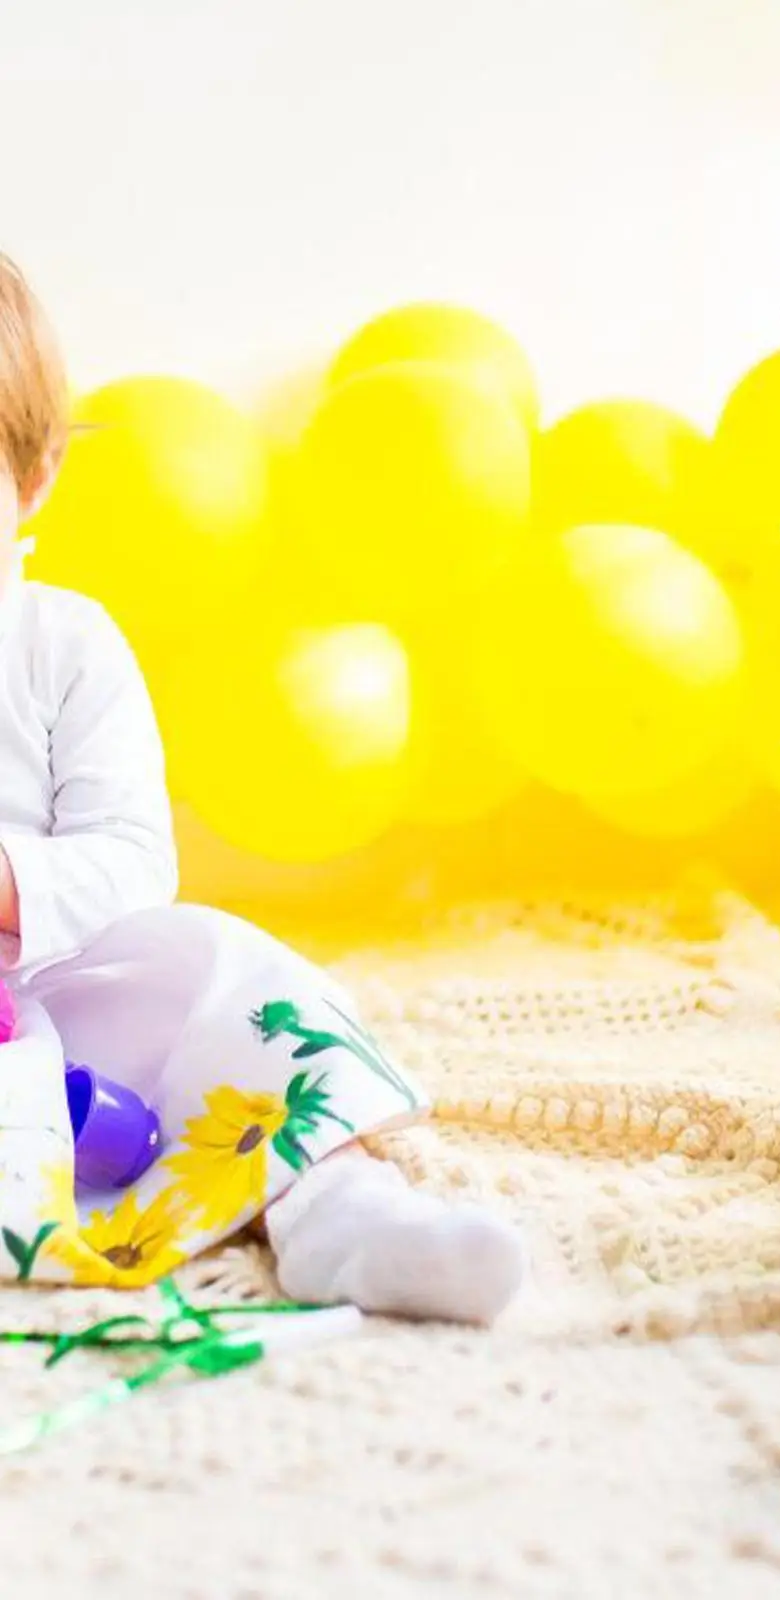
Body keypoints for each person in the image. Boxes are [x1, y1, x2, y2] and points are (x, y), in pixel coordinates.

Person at [0, 255, 524, 1323]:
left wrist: (15, 883)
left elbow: (132, 857)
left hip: (66, 993)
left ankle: (347, 1219)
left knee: (227, 982)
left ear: (36, 475)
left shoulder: (62, 644)